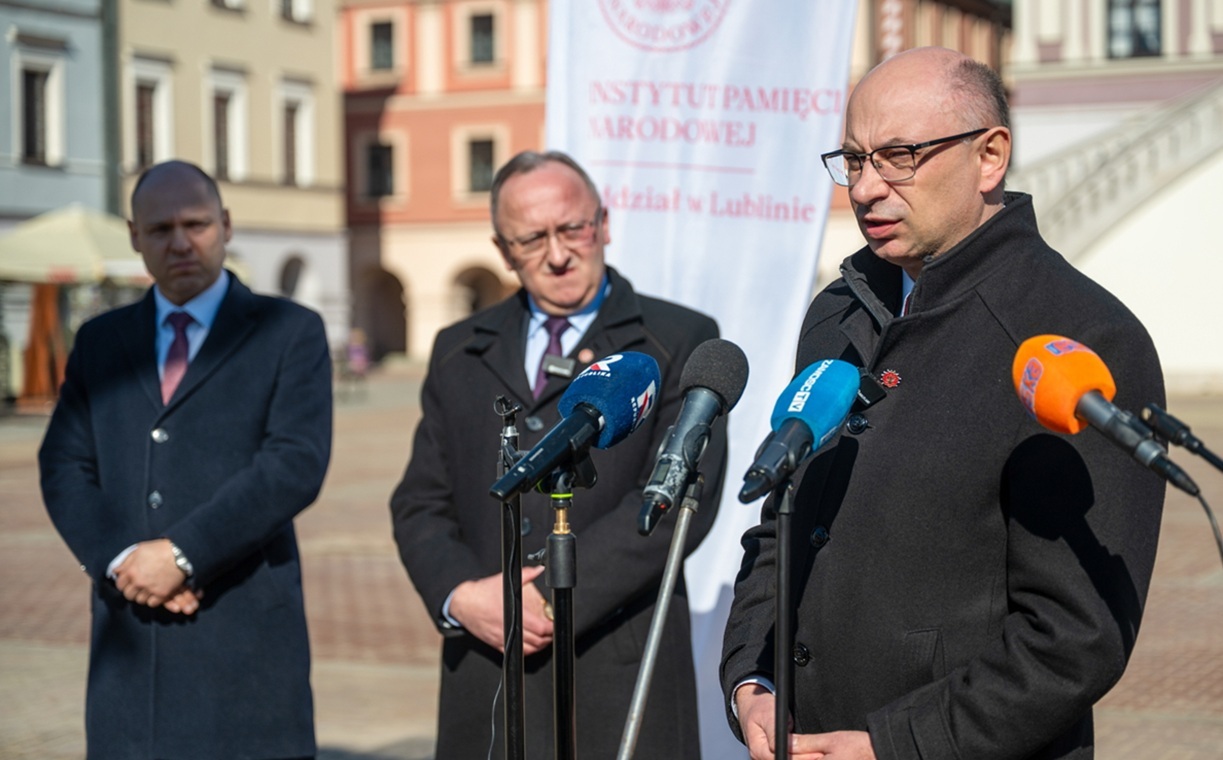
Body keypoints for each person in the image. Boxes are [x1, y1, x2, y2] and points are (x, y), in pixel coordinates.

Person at [721, 47, 1167, 760]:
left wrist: (893, 745)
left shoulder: (1081, 339)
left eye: (898, 156)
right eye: (854, 159)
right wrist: (749, 676)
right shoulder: (838, 313)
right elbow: (782, 523)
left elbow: (1076, 635)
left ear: (989, 156)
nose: (866, 187)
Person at [390, 150, 727, 759]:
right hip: (487, 667)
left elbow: (674, 504)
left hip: (617, 668)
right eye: (532, 237)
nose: (558, 252)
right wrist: (461, 594)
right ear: (503, 250)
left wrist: (546, 598)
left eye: (572, 227)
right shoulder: (456, 348)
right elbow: (419, 503)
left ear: (602, 223)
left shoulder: (680, 339)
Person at [39, 160, 333, 759]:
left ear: (225, 224)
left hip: (242, 641)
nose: (180, 242)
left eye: (196, 223)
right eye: (160, 229)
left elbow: (293, 463)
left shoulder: (289, 331)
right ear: (133, 237)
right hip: (131, 651)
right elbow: (64, 463)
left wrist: (182, 554)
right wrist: (124, 558)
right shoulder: (101, 341)